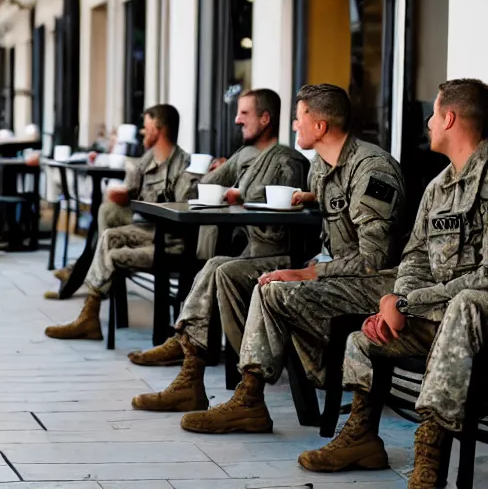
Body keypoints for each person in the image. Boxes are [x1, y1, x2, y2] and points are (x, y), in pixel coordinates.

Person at [175, 83, 406, 434]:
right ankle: (243, 382)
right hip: (339, 270)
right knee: (236, 274)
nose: (294, 126)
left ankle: (251, 397)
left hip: (378, 279)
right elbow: (339, 205)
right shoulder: (321, 168)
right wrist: (311, 198)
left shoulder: (374, 171)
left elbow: (373, 260)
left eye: (300, 119)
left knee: (275, 289)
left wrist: (307, 273)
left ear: (320, 127)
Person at [296, 78, 488, 488]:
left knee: (467, 302)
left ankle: (430, 454)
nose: (429, 122)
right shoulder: (439, 186)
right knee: (364, 337)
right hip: (434, 313)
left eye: (434, 114)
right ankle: (361, 437)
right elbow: (415, 254)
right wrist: (395, 300)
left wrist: (409, 302)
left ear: (450, 118)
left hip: (475, 318)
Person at [129, 89, 310, 412]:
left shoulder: (287, 161)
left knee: (216, 266)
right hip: (249, 253)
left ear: (265, 119)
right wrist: (217, 169)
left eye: (245, 113)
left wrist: (240, 200)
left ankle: (188, 359)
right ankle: (189, 360)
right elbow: (207, 185)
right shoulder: (244, 156)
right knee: (216, 264)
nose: (237, 119)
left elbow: (287, 228)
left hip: (279, 257)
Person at [44, 104, 199, 340]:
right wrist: (124, 196)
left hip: (170, 238)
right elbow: (130, 190)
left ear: (159, 128)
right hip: (150, 229)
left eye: (146, 127)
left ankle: (85, 294)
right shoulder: (145, 160)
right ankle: (90, 310)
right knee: (108, 221)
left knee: (110, 239)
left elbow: (181, 213)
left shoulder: (183, 165)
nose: (142, 132)